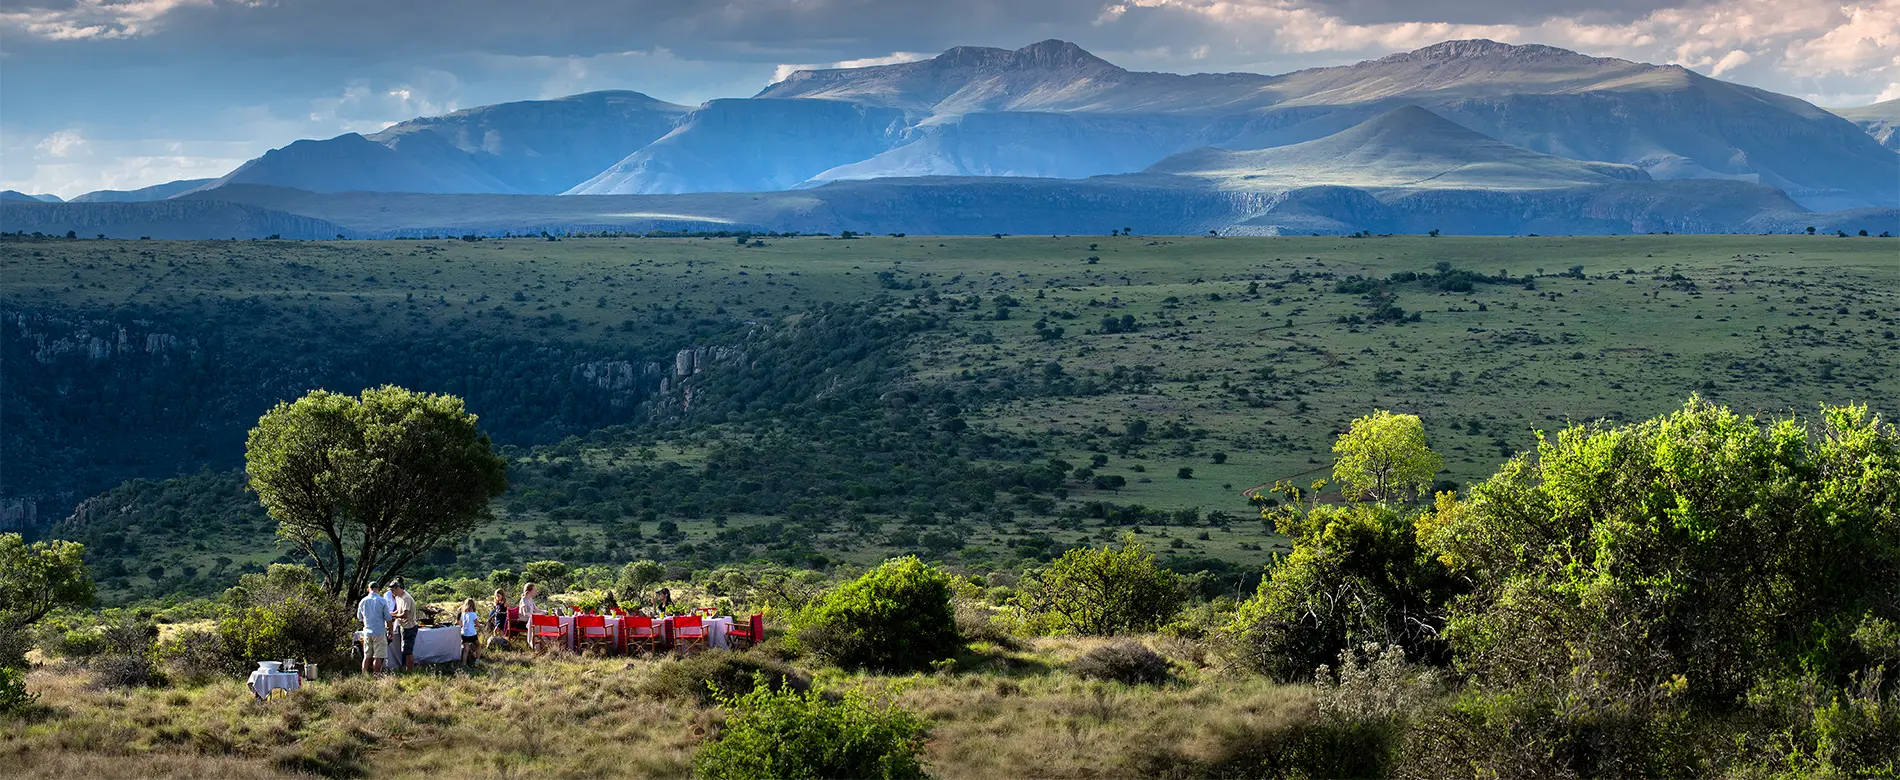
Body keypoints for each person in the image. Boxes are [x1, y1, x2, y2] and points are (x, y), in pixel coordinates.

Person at [357, 582, 392, 676]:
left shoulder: (363, 601)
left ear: (368, 589)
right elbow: (388, 618)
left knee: (367, 656)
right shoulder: (382, 601)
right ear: (378, 589)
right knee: (378, 656)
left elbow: (360, 617)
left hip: (367, 632)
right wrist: (391, 631)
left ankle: (365, 676)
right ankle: (376, 676)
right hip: (379, 631)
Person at [389, 579, 419, 671]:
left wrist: (394, 616)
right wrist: (391, 613)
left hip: (409, 627)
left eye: (393, 590)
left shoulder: (406, 598)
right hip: (403, 626)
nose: (392, 593)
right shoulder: (398, 597)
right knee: (404, 650)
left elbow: (405, 615)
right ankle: (407, 668)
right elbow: (399, 611)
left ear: (398, 588)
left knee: (408, 651)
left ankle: (409, 670)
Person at [459, 598, 481, 668]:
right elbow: (477, 624)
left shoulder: (463, 614)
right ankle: (477, 661)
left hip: (464, 633)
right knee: (478, 645)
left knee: (466, 649)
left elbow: (461, 624)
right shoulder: (473, 614)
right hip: (471, 634)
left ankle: (464, 664)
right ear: (473, 606)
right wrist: (480, 626)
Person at [519, 582, 539, 648]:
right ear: (530, 590)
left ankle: (539, 643)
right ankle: (534, 645)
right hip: (523, 622)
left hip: (530, 619)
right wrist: (534, 615)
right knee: (538, 624)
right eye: (534, 590)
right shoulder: (523, 600)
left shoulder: (530, 599)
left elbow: (537, 610)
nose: (535, 591)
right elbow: (525, 613)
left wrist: (546, 611)